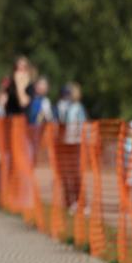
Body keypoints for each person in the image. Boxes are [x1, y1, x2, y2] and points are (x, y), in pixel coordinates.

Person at [57, 82, 87, 212]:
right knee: (71, 173)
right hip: (69, 143)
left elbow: (82, 125)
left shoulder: (79, 108)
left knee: (78, 174)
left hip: (77, 143)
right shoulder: (68, 108)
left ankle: (82, 202)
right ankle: (73, 201)